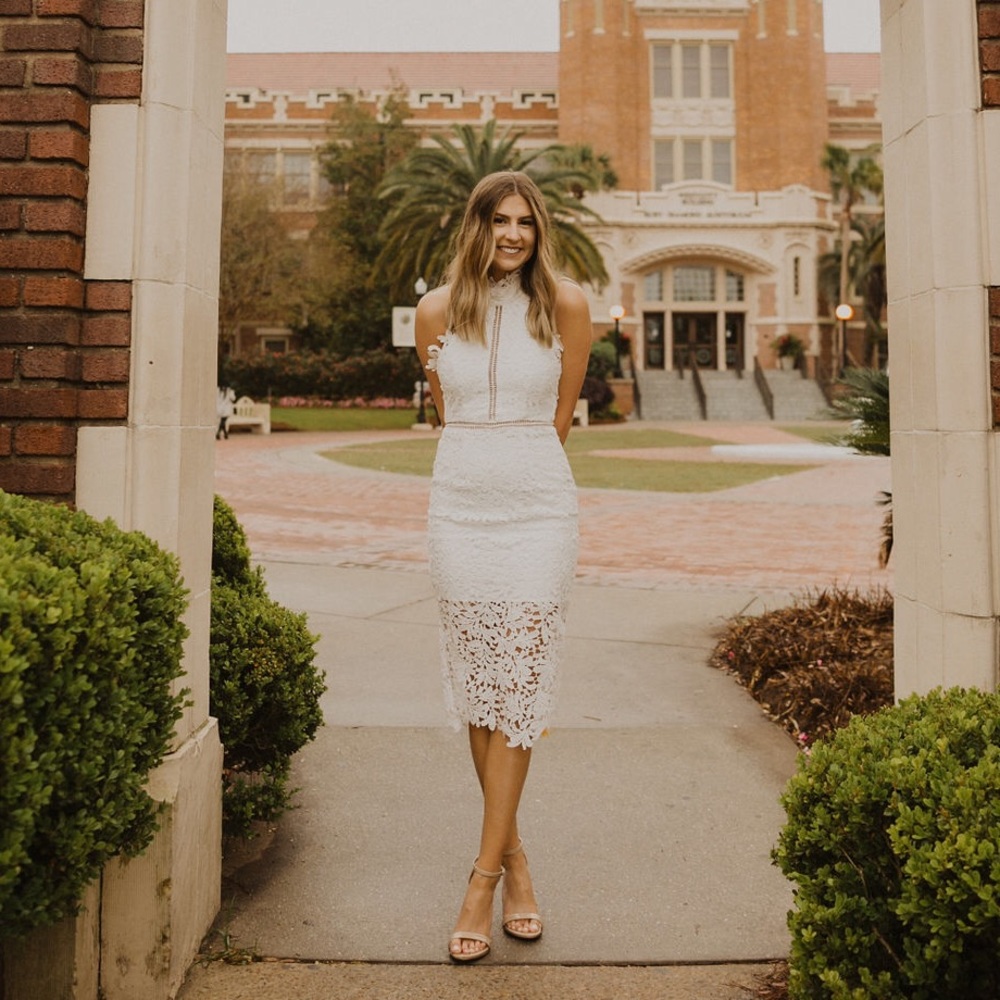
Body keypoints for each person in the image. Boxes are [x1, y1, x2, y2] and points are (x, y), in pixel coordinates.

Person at [415, 171, 591, 962]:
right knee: (484, 695)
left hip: (538, 512)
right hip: (459, 511)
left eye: (526, 222)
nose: (514, 234)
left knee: (518, 683)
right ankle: (518, 859)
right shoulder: (434, 311)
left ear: (539, 230)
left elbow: (560, 420)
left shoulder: (568, 308)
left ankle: (481, 878)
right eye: (500, 221)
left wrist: (518, 465)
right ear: (476, 226)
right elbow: (447, 415)